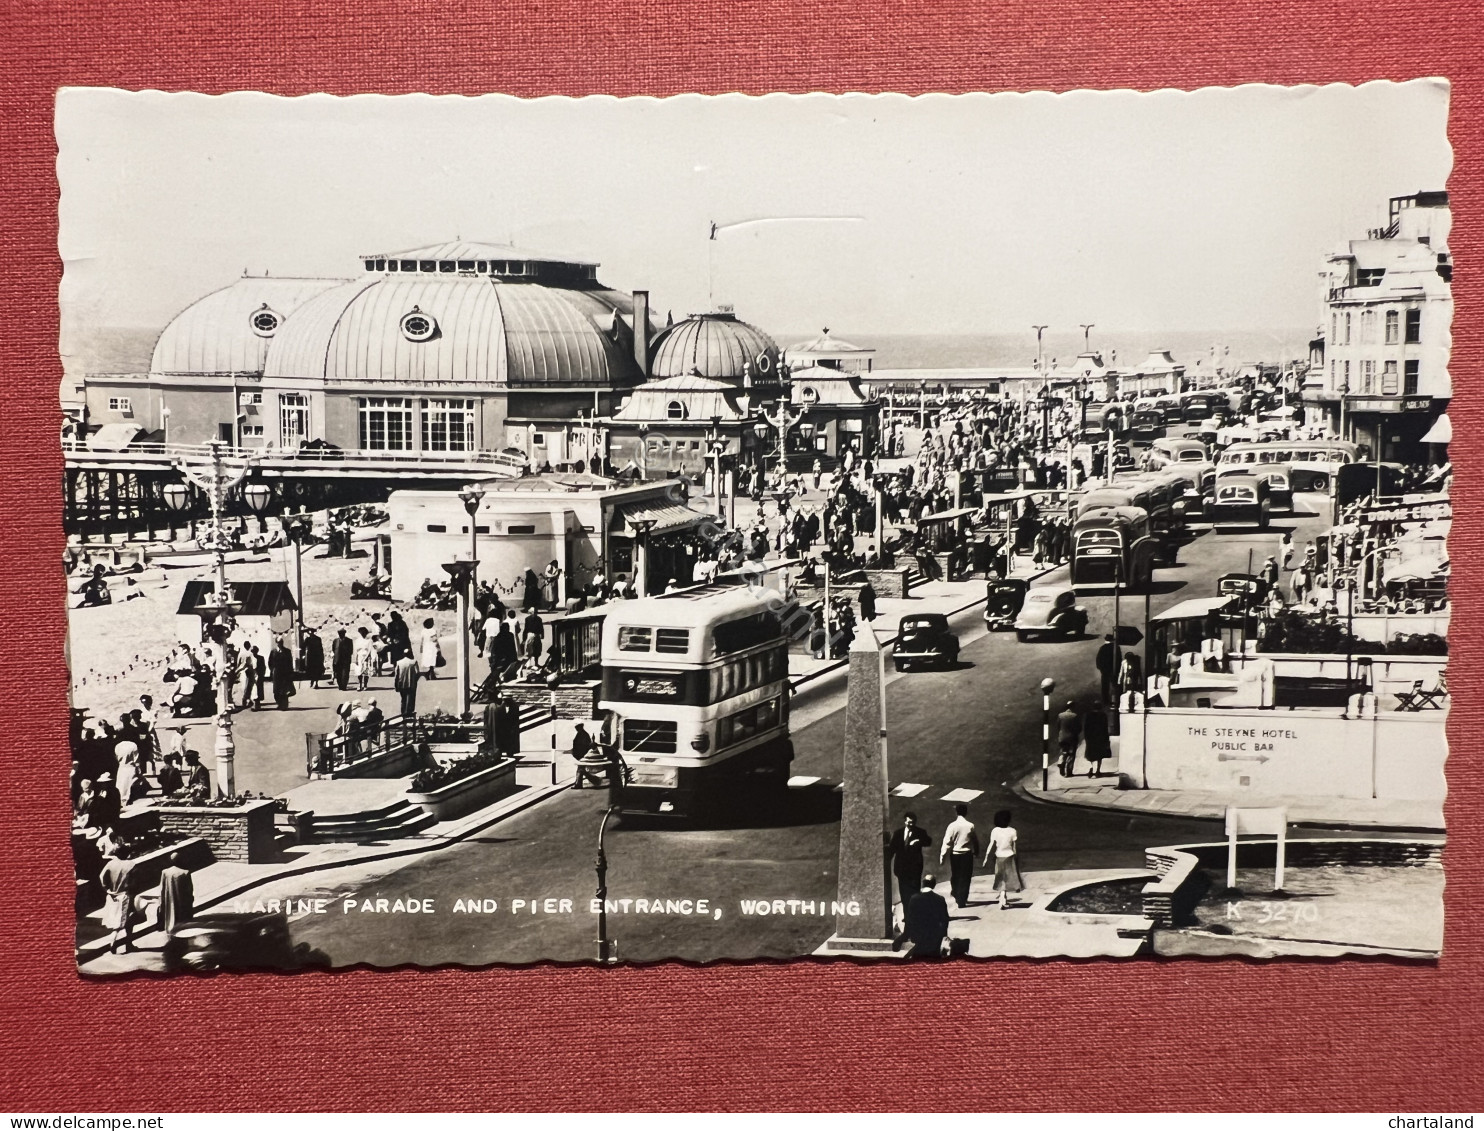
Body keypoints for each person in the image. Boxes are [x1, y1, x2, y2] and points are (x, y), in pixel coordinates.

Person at [888, 812, 932, 917]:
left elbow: (928, 841)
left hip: (914, 870)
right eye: (909, 822)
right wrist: (885, 860)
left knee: (914, 893)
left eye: (912, 822)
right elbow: (892, 849)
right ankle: (907, 915)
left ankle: (915, 915)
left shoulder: (920, 832)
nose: (910, 824)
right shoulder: (898, 833)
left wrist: (919, 841)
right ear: (905, 821)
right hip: (901, 869)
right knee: (904, 895)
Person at [939, 802, 979, 909]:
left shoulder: (952, 826)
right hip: (967, 854)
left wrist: (942, 856)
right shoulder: (970, 825)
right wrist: (976, 851)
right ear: (966, 813)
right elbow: (975, 840)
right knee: (966, 876)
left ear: (956, 812)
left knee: (956, 875)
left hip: (955, 854)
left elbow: (947, 842)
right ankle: (963, 898)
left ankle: (956, 892)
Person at [982, 809, 1024, 909]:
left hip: (999, 857)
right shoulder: (1013, 831)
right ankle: (1003, 899)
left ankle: (1002, 898)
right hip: (1009, 856)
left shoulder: (995, 831)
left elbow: (990, 845)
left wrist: (986, 857)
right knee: (1008, 878)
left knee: (1001, 878)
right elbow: (1014, 847)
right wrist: (1016, 857)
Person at [903, 874, 951, 959]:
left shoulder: (914, 899)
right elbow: (945, 920)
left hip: (918, 938)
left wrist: (911, 935)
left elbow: (910, 919)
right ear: (934, 885)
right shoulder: (940, 899)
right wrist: (943, 936)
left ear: (923, 884)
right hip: (935, 939)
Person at [99, 848, 137, 953]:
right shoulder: (131, 865)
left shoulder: (111, 864)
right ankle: (120, 943)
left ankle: (122, 943)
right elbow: (135, 882)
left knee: (118, 920)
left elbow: (101, 876)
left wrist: (107, 889)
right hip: (125, 895)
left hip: (113, 896)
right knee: (127, 920)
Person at [156, 851, 194, 936]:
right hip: (181, 899)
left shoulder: (165, 872)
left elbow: (162, 888)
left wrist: (161, 900)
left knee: (171, 913)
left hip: (169, 898)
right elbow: (189, 889)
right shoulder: (185, 872)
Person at [1081, 701, 1111, 777]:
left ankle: (1091, 767)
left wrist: (1086, 737)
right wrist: (1107, 739)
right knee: (1099, 755)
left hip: (1091, 738)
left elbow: (1086, 727)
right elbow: (1105, 728)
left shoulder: (1089, 715)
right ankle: (1097, 770)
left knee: (1091, 754)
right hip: (1100, 738)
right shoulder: (1103, 715)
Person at [268, 635, 296, 710]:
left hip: (285, 673)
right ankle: (279, 703)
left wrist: (291, 672)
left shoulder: (287, 651)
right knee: (276, 691)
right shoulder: (273, 651)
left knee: (284, 690)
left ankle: (284, 705)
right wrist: (272, 670)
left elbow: (290, 662)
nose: (280, 644)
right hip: (276, 673)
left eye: (281, 642)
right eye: (279, 642)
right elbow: (270, 662)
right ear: (276, 643)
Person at [1095, 633, 1122, 707]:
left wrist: (1100, 668)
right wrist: (1118, 669)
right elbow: (1119, 659)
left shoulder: (1103, 647)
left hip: (1104, 670)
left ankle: (1105, 701)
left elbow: (1098, 659)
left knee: (1105, 686)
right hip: (1114, 669)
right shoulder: (1116, 647)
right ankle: (1117, 700)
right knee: (1116, 685)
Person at [1056, 700, 1081, 777]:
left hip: (1062, 737)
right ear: (1073, 707)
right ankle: (1068, 772)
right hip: (1072, 738)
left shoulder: (1060, 715)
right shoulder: (1075, 716)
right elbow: (1079, 728)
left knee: (1063, 751)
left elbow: (1058, 726)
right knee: (1071, 754)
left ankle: (1061, 762)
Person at [394, 652, 420, 719]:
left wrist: (396, 685)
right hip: (411, 683)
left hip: (401, 683)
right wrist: (415, 681)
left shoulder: (399, 662)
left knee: (403, 699)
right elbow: (417, 673)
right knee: (410, 698)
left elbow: (396, 674)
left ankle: (403, 713)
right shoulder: (414, 662)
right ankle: (409, 712)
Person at [331, 627, 353, 692]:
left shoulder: (349, 641)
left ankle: (344, 686)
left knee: (345, 674)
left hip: (345, 660)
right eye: (339, 633)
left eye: (342, 633)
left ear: (344, 633)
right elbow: (333, 649)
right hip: (337, 660)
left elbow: (351, 651)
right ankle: (340, 685)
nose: (341, 634)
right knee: (338, 674)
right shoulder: (335, 641)